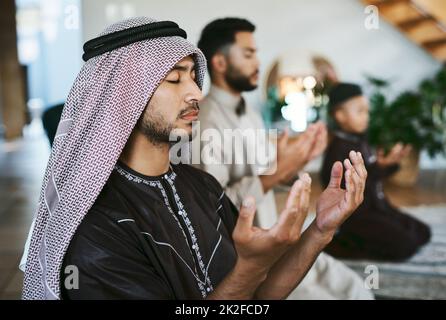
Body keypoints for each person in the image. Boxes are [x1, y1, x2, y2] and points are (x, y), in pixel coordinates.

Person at [21, 17, 366, 300]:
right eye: (174, 79)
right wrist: (248, 266)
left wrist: (321, 229)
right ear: (124, 98)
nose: (196, 91)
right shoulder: (97, 228)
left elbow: (259, 295)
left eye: (191, 75)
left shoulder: (201, 185)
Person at [196, 18, 373, 299]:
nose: (258, 62)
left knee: (355, 287)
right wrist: (276, 174)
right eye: (248, 54)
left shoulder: (250, 114)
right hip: (247, 263)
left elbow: (268, 174)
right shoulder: (204, 122)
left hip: (278, 242)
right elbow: (212, 208)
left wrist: (298, 161)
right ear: (219, 62)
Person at [321, 82, 431, 261]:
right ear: (340, 115)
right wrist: (379, 167)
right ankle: (343, 244)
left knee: (423, 232)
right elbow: (353, 189)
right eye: (360, 111)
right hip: (359, 216)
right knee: (406, 245)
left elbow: (372, 175)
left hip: (378, 207)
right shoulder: (338, 150)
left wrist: (387, 164)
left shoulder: (360, 140)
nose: (366, 116)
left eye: (367, 111)